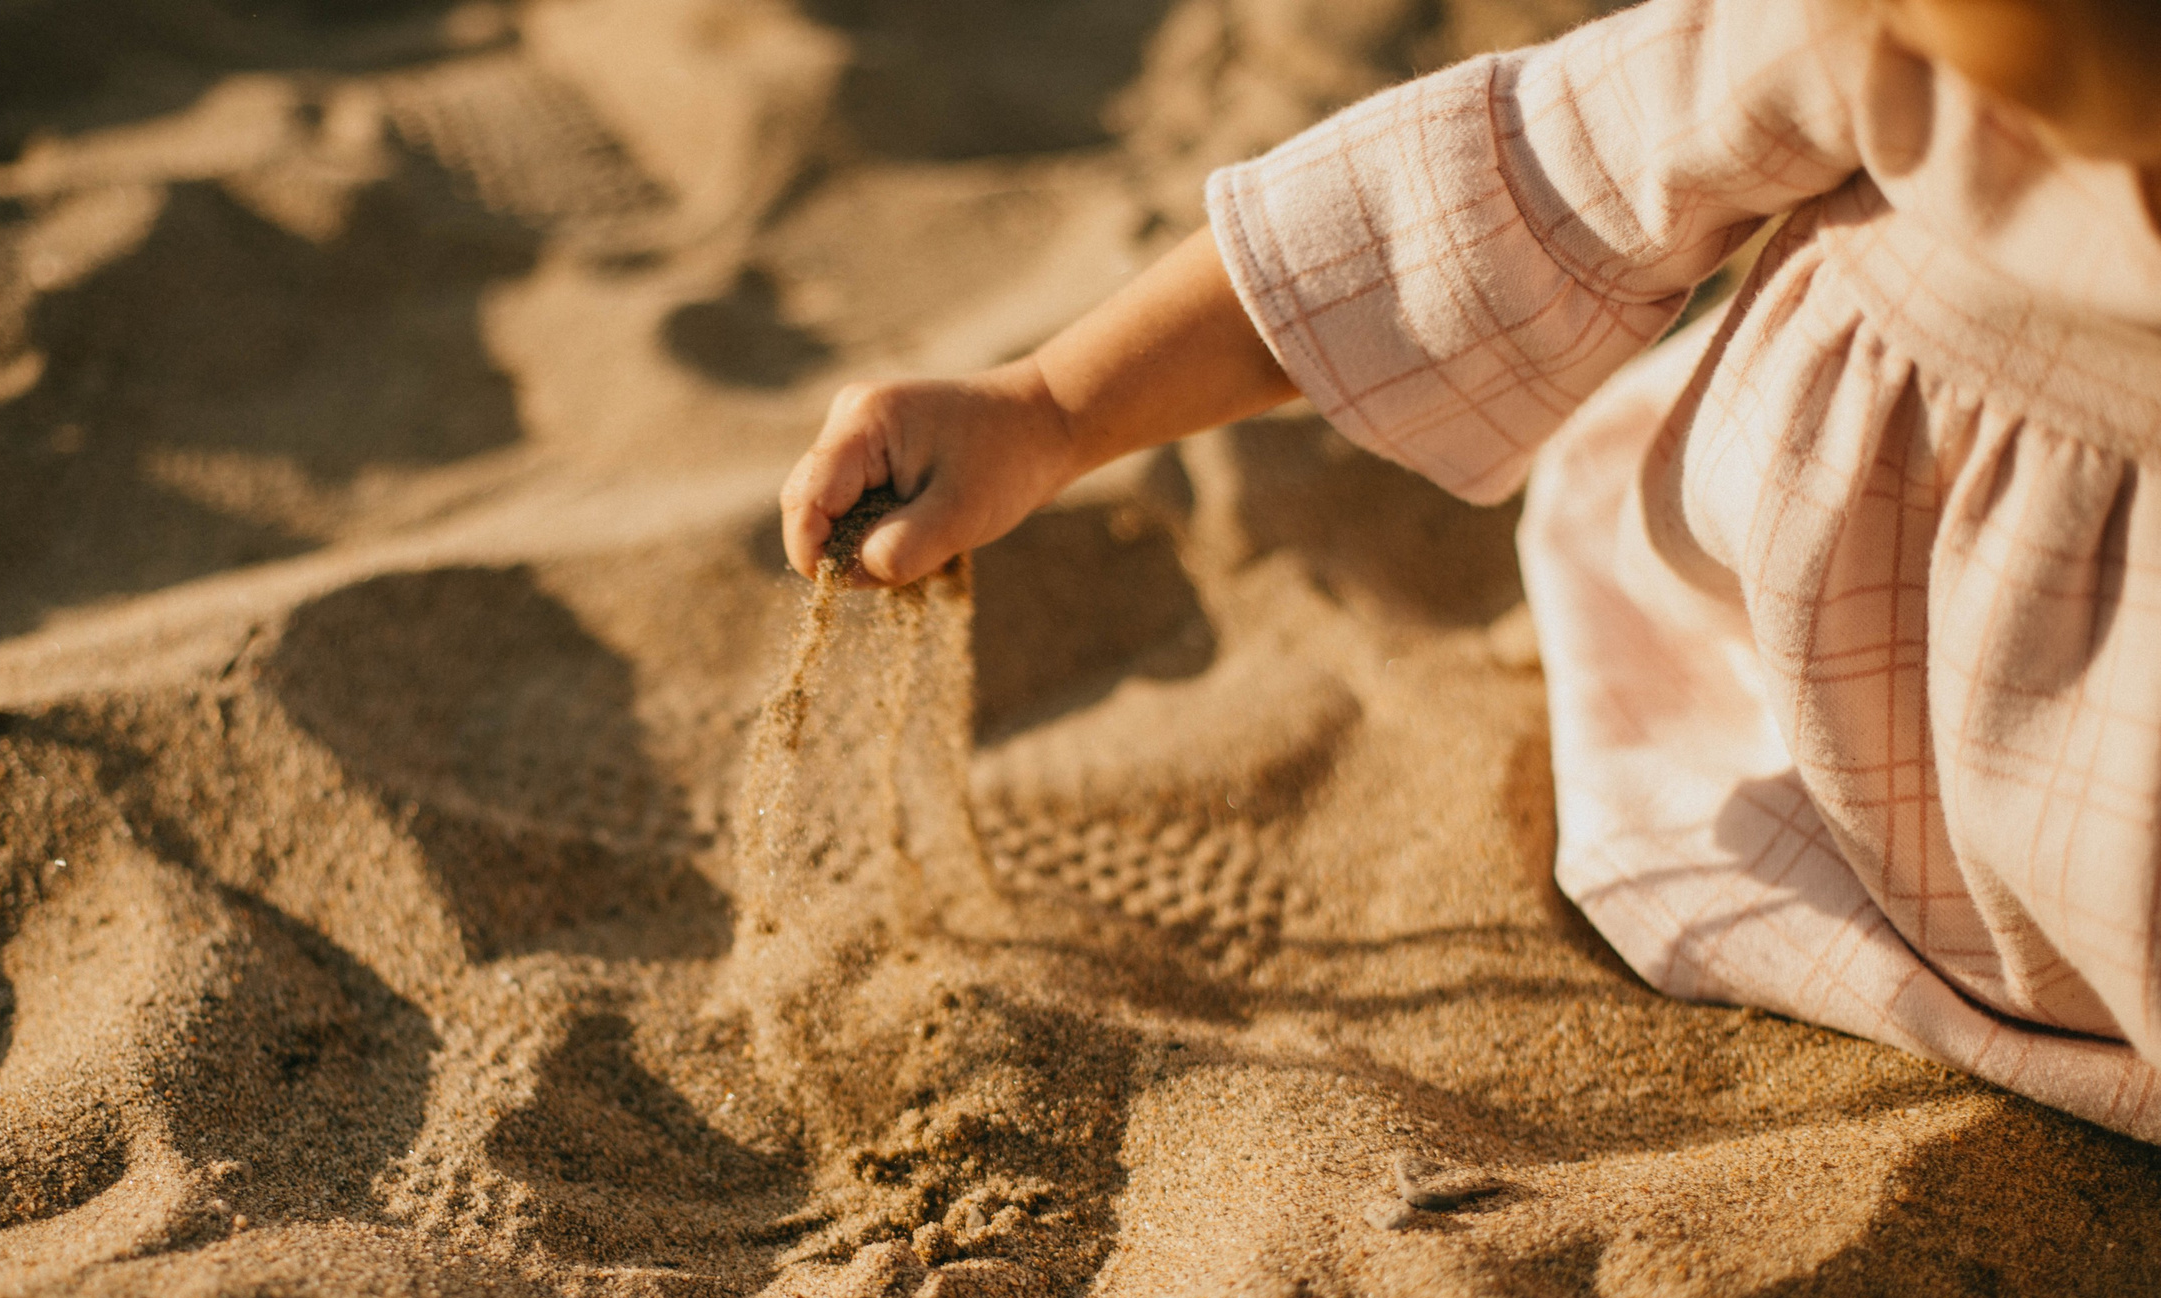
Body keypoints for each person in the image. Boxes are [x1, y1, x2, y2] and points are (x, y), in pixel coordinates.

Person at [778, 0, 2161, 1142]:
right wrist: (1048, 408)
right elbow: (1500, 196)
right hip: (1857, 714)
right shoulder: (1878, 29)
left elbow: (1511, 196)